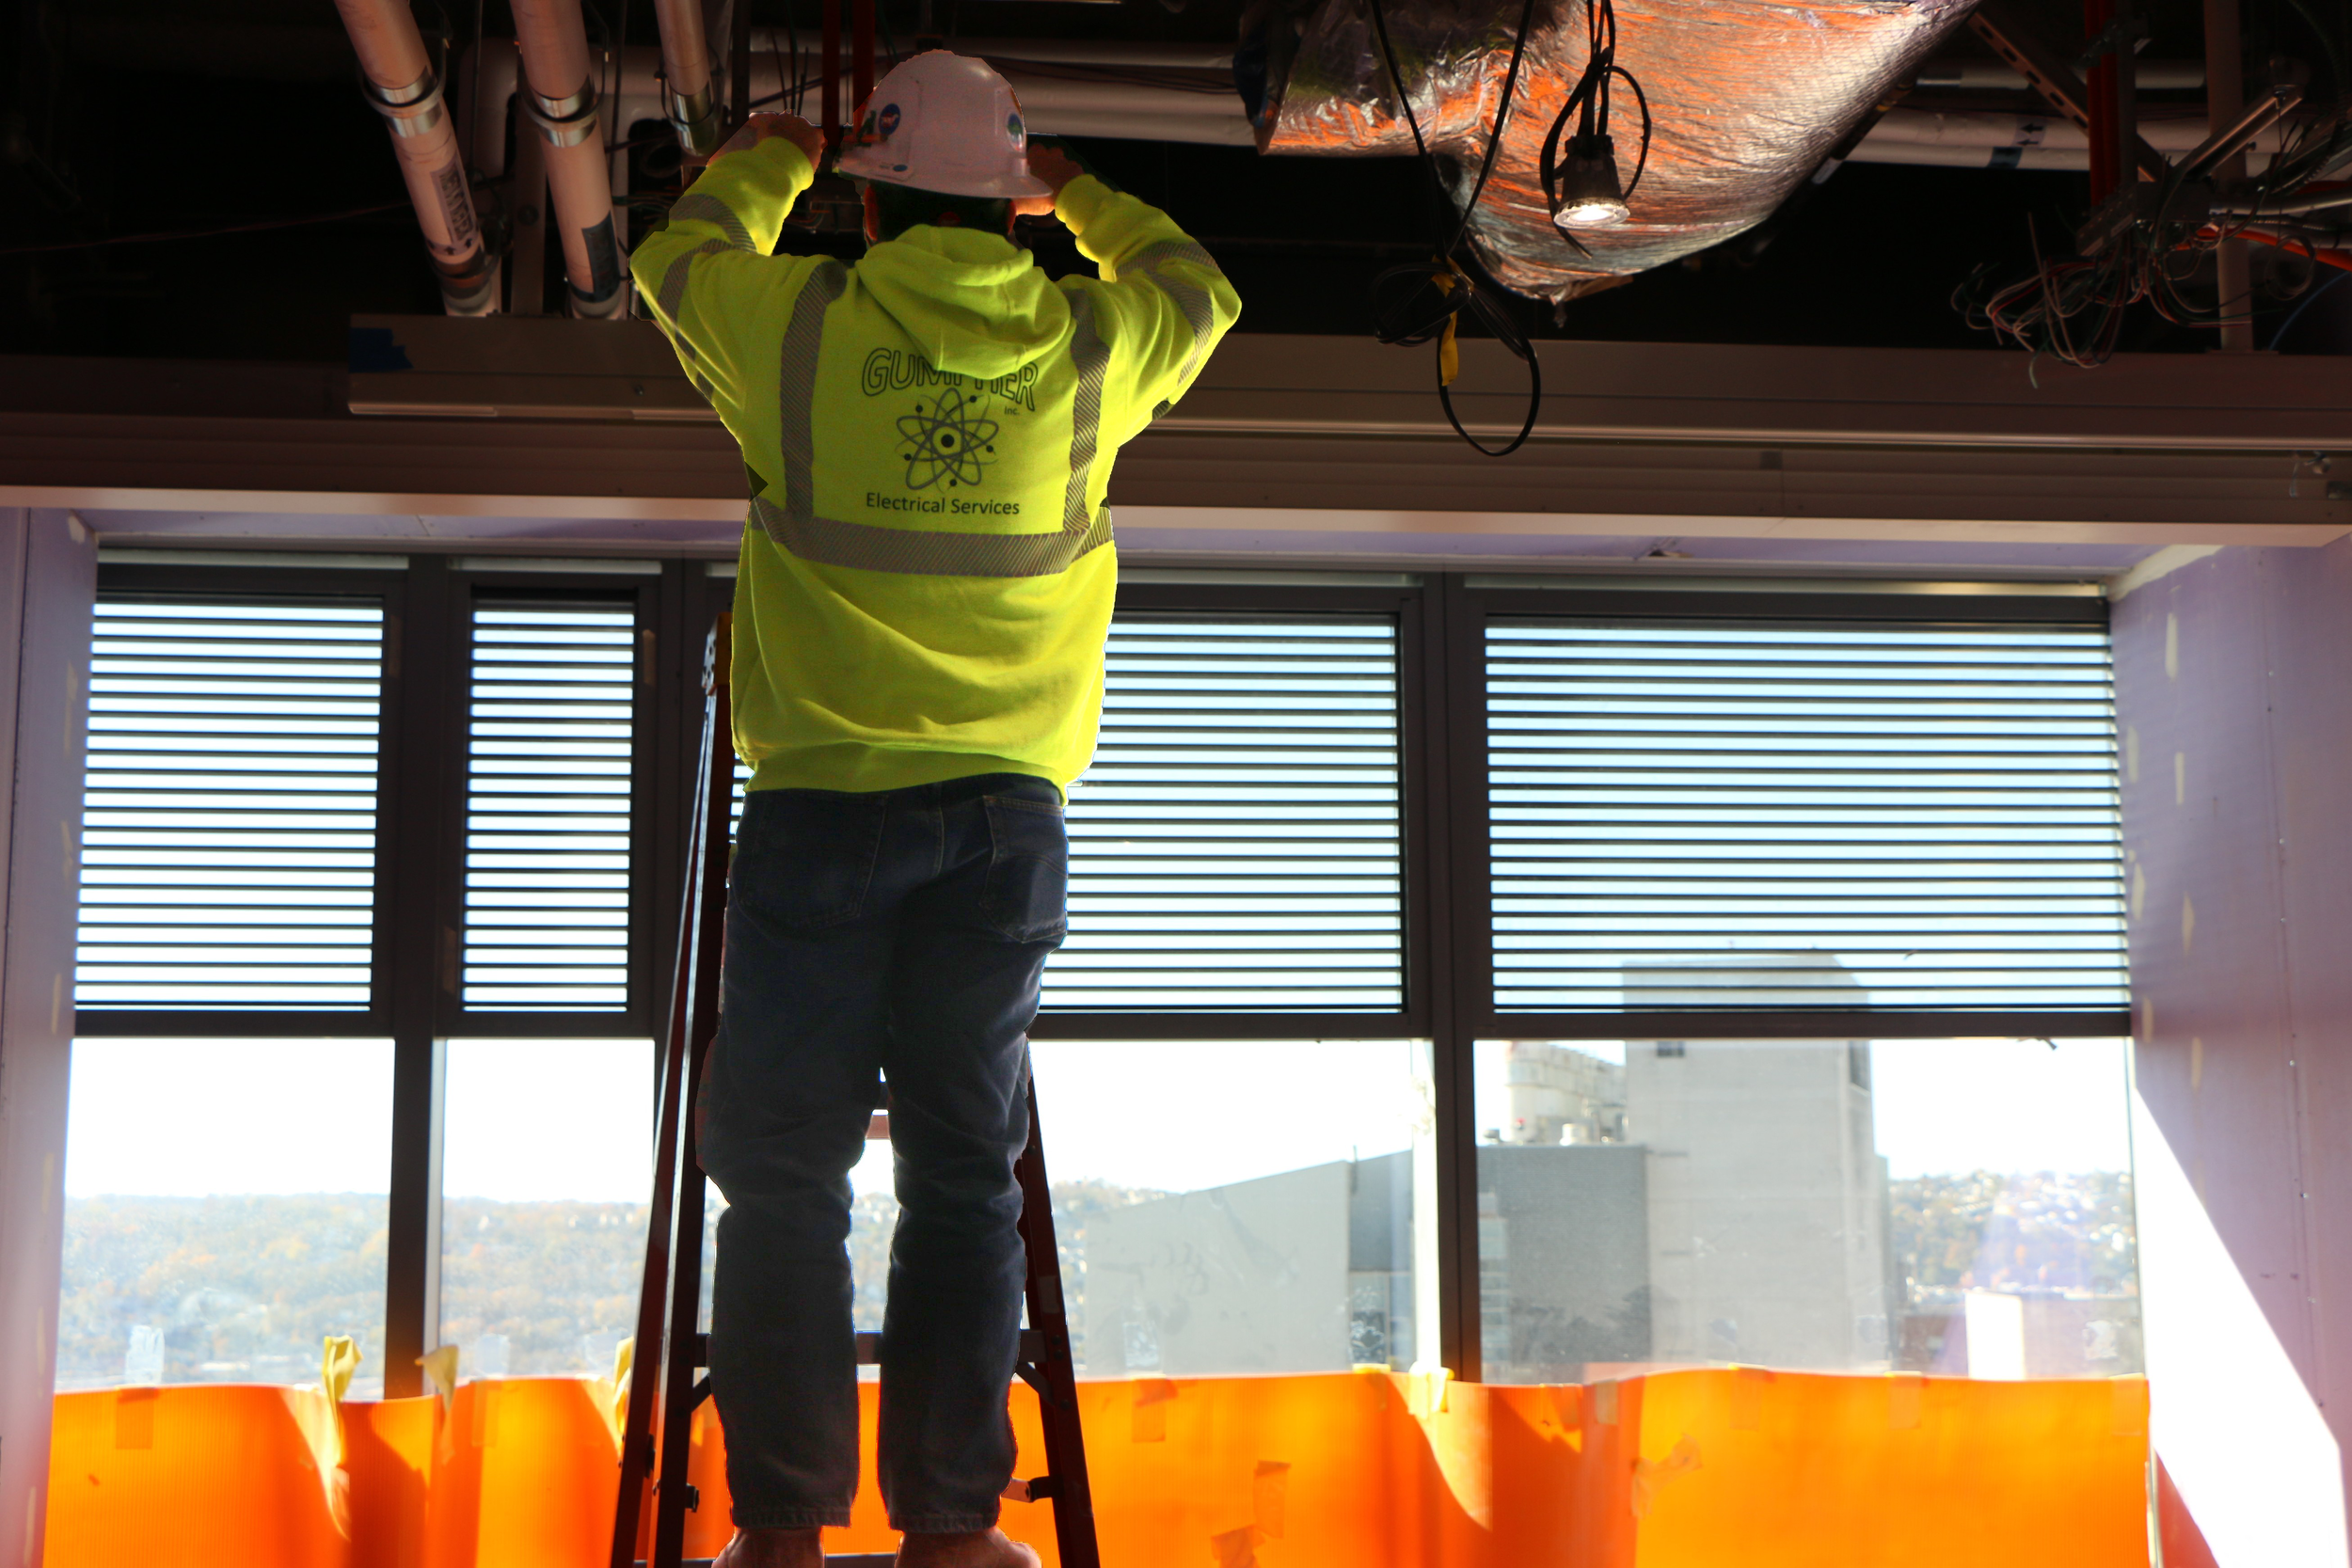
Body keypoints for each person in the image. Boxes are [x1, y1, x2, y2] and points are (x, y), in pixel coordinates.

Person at [629, 49, 1241, 1568]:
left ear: (869, 201)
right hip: (1003, 822)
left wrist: (773, 153)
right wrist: (1083, 194)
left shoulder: (798, 331)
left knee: (785, 1173)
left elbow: (674, 262)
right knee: (964, 1174)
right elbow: (1202, 289)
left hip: (819, 810)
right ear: (1013, 207)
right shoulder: (1088, 348)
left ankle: (780, 1531)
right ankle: (952, 1533)